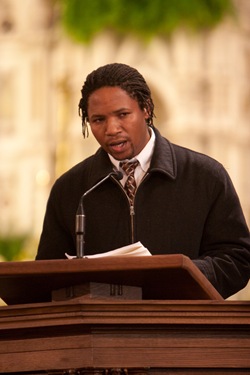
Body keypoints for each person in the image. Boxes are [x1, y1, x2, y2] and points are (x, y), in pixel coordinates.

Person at [36, 63, 250, 299]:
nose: (112, 129)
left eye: (122, 115)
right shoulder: (70, 189)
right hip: (100, 331)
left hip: (182, 328)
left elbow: (238, 260)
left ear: (146, 109)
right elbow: (46, 278)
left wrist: (178, 275)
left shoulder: (206, 176)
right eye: (98, 120)